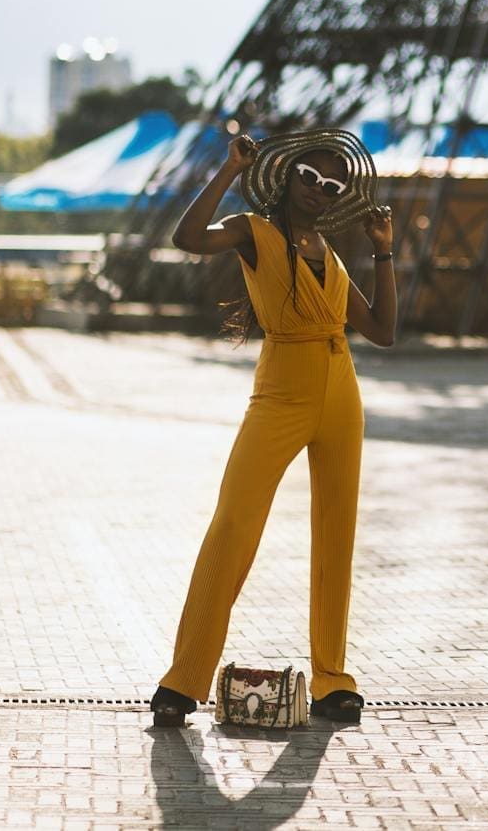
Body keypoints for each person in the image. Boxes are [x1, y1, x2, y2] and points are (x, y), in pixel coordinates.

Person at [148, 128, 397, 729]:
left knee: (336, 533)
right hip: (280, 389)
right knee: (234, 521)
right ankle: (183, 680)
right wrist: (228, 170)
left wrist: (385, 250)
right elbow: (186, 238)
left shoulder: (331, 254)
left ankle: (334, 680)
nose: (318, 190)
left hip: (342, 391)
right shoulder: (252, 232)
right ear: (287, 177)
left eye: (332, 185)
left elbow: (384, 331)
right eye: (309, 177)